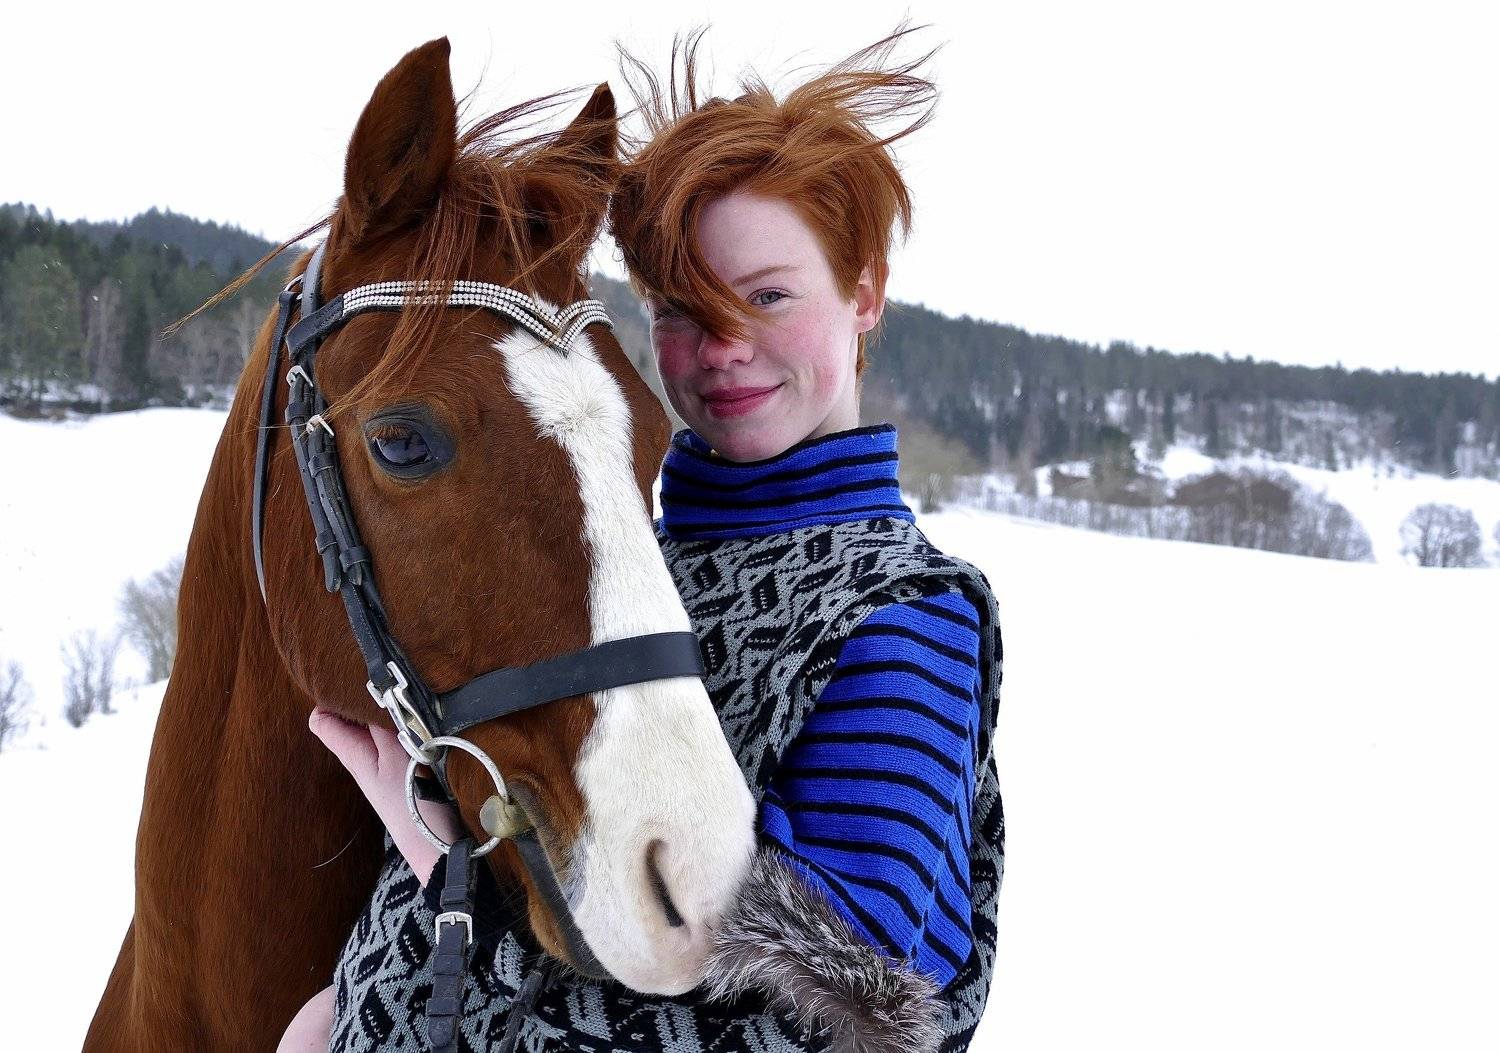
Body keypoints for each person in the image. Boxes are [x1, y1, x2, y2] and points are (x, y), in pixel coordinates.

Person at [283, 23, 1003, 1053]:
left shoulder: (905, 616)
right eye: (678, 308)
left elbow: (836, 1014)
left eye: (766, 297)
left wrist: (434, 853)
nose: (722, 351)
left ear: (864, 293)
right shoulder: (630, 568)